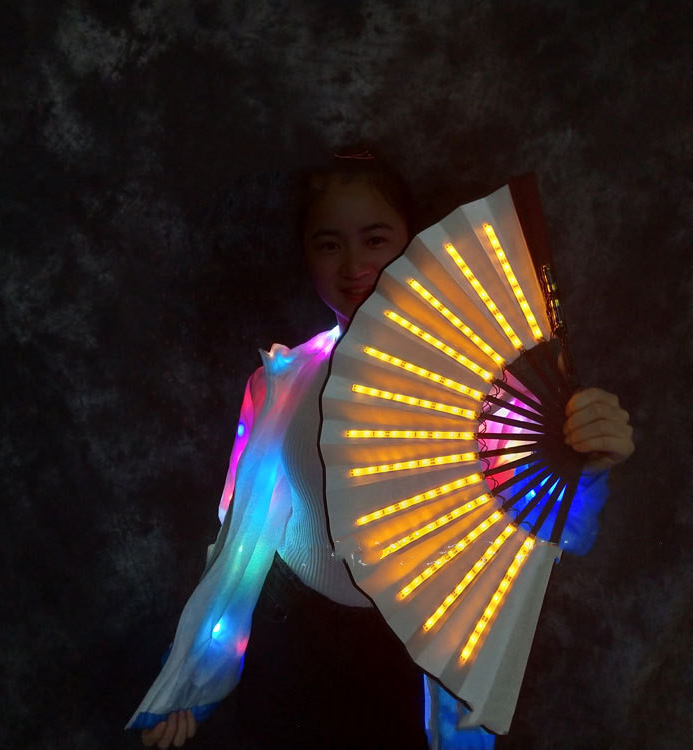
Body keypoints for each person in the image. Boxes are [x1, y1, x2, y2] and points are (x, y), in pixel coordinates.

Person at [128, 150, 635, 749]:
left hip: (408, 659)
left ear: (411, 242)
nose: (353, 265)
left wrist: (587, 464)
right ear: (306, 255)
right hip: (290, 649)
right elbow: (237, 544)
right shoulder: (279, 381)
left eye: (375, 239)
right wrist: (189, 684)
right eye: (328, 244)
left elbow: (562, 532)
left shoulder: (475, 384)